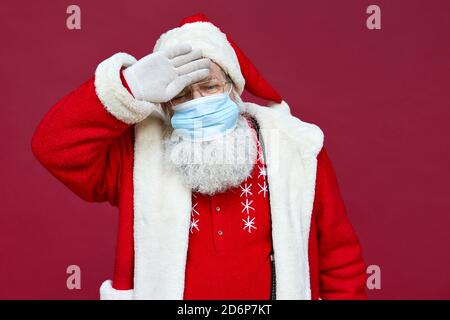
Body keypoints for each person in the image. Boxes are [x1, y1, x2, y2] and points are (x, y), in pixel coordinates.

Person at [31, 13, 367, 300]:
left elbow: (339, 258)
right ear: (164, 102)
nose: (198, 101)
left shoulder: (294, 148)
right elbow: (53, 146)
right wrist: (128, 88)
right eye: (182, 93)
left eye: (209, 87)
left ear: (233, 89)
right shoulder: (137, 153)